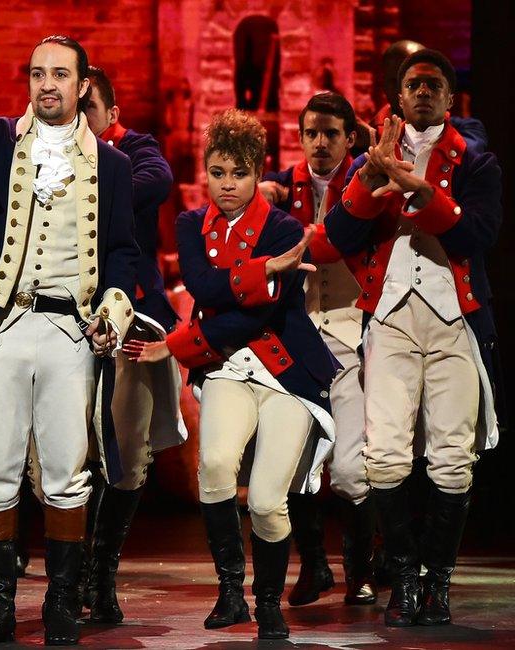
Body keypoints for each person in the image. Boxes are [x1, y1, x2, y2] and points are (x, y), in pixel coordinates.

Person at [0, 35, 139, 646]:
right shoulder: (1, 142)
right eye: (38, 74)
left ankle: (62, 604)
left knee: (67, 471)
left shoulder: (113, 168)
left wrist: (114, 311)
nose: (48, 85)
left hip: (70, 328)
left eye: (61, 75)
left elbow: (123, 253)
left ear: (83, 84)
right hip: (7, 325)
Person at [125, 109, 339, 640]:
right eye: (217, 172)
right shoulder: (189, 224)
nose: (227, 185)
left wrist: (176, 345)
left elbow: (256, 313)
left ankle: (268, 601)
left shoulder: (285, 228)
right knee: (215, 466)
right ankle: (230, 592)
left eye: (238, 174)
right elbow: (204, 286)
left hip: (287, 372)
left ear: (256, 172)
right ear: (206, 173)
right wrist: (264, 269)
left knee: (268, 499)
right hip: (226, 367)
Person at [325, 48, 503, 627]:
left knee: (453, 457)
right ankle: (402, 575)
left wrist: (421, 192)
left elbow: (477, 234)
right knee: (385, 457)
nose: (423, 91)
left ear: (451, 100)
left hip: (454, 318)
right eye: (412, 84)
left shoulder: (475, 162)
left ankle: (437, 583)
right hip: (392, 317)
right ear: (398, 98)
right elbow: (337, 236)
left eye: (434, 84)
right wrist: (372, 180)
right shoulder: (374, 157)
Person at [261, 91, 377, 607]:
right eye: (312, 133)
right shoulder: (284, 186)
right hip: (302, 340)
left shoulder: (368, 182)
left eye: (331, 133)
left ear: (349, 138)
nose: (320, 143)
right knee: (297, 462)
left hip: (353, 337)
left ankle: (361, 568)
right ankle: (313, 566)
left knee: (352, 469)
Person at [79, 65, 186, 624]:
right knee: (62, 457)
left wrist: (82, 176)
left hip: (133, 319)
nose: (77, 121)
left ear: (112, 116)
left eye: (88, 109)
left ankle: (103, 573)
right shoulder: (36, 154)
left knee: (125, 453)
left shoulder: (135, 151)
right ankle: (68, 574)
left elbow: (157, 182)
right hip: (61, 321)